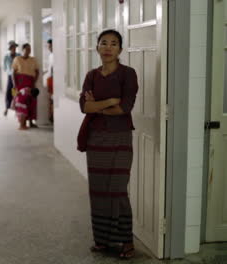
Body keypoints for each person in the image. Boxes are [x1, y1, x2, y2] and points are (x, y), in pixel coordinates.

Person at [78, 29, 138, 259]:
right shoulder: (91, 76)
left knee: (118, 190)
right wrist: (111, 101)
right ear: (97, 48)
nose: (108, 47)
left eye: (114, 43)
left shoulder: (128, 74)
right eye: (104, 43)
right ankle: (102, 240)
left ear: (120, 49)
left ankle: (126, 242)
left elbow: (125, 107)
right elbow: (85, 107)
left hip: (120, 138)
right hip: (96, 139)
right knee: (99, 189)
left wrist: (100, 105)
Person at [11, 43, 40, 130]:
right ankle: (22, 123)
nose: (28, 51)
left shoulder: (33, 60)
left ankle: (31, 122)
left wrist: (34, 82)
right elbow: (13, 73)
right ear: (22, 50)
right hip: (20, 83)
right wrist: (15, 85)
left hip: (30, 83)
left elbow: (37, 71)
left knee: (32, 102)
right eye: (27, 49)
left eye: (30, 49)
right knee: (21, 102)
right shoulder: (17, 59)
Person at [3, 40, 20, 116]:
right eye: (12, 47)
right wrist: (10, 71)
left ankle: (16, 109)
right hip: (10, 76)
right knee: (8, 92)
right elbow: (5, 68)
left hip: (18, 76)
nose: (14, 48)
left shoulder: (19, 55)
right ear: (10, 48)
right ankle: (6, 108)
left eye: (15, 47)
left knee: (16, 92)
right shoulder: (6, 57)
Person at [46, 39, 54, 123]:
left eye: (50, 46)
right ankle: (51, 116)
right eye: (48, 46)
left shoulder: (56, 55)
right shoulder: (50, 55)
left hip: (53, 79)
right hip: (50, 78)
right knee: (50, 98)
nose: (49, 48)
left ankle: (52, 116)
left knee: (53, 99)